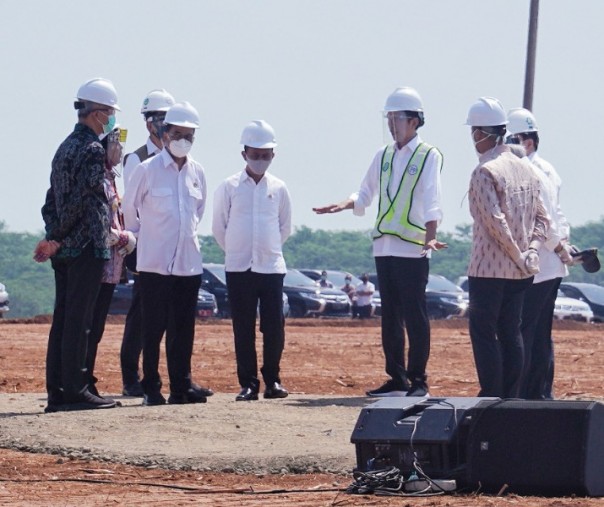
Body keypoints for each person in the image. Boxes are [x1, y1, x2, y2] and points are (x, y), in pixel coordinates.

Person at [314, 87, 446, 397]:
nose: (392, 124)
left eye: (397, 117)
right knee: (390, 315)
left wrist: (431, 238)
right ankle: (396, 378)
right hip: (384, 245)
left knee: (415, 314)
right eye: (389, 118)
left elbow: (432, 199)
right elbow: (365, 193)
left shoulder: (428, 154)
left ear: (414, 121)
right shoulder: (383, 155)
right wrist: (342, 205)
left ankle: (418, 381)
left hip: (413, 247)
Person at [34, 78, 121, 412]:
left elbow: (51, 201)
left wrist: (54, 236)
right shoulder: (92, 150)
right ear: (97, 113)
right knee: (79, 321)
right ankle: (75, 389)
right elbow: (82, 202)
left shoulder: (64, 147)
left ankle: (57, 391)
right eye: (110, 113)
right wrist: (58, 237)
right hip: (85, 246)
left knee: (63, 319)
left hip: (65, 248)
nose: (111, 119)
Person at [122, 101, 209, 406]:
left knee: (183, 329)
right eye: (178, 133)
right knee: (152, 328)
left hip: (188, 264)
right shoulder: (146, 170)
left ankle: (181, 387)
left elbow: (197, 212)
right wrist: (144, 239)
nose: (182, 139)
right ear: (165, 132)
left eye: (189, 135)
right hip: (154, 264)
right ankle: (151, 388)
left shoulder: (197, 172)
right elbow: (129, 212)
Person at [465, 97, 549, 399]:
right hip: (522, 271)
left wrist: (517, 255)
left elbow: (494, 222)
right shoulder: (526, 168)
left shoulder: (485, 171)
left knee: (485, 334)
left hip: (488, 269)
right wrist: (532, 252)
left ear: (480, 133)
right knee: (512, 333)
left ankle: (491, 394)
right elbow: (543, 218)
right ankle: (510, 397)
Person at [212, 120, 292, 401]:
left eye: (265, 155)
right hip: (238, 268)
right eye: (255, 155)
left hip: (271, 268)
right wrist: (236, 250)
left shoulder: (279, 188)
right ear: (244, 153)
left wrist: (266, 250)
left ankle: (273, 380)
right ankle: (248, 383)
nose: (260, 160)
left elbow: (285, 227)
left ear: (273, 155)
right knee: (242, 327)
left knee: (274, 328)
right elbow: (219, 227)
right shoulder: (229, 186)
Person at [507, 108, 573, 399]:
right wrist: (564, 245)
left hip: (540, 264)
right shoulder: (548, 168)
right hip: (552, 265)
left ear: (527, 142)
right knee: (540, 333)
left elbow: (543, 219)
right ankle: (540, 392)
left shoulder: (529, 171)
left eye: (511, 139)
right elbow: (558, 214)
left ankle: (524, 392)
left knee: (525, 332)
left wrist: (558, 246)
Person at [119, 89, 178, 398]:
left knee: (170, 313)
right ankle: (131, 375)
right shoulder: (137, 159)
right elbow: (132, 207)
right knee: (141, 313)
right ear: (149, 123)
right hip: (145, 246)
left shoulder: (181, 160)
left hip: (174, 247)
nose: (166, 126)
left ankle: (176, 377)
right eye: (161, 119)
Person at [86, 126, 136, 397]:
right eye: (116, 144)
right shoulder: (100, 180)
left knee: (97, 327)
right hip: (98, 264)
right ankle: (84, 380)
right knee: (89, 326)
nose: (120, 150)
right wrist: (125, 238)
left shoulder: (111, 178)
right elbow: (101, 226)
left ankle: (87, 378)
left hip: (111, 269)